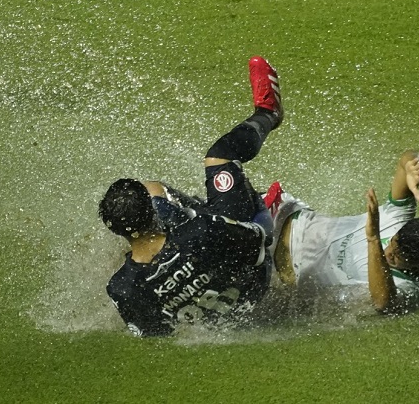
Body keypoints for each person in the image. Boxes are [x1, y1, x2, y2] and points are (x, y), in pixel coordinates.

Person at [99, 56, 283, 337]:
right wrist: (255, 213)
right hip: (255, 287)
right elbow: (262, 239)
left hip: (224, 319)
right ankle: (268, 112)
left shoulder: (121, 288)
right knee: (219, 156)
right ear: (151, 211)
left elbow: (154, 333)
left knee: (160, 198)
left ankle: (210, 209)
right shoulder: (202, 230)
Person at [265, 149, 419, 314]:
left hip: (270, 270)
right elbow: (406, 159)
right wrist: (412, 164)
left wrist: (373, 239)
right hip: (280, 217)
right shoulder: (397, 217)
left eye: (397, 257)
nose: (388, 253)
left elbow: (383, 303)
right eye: (392, 243)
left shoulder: (410, 289)